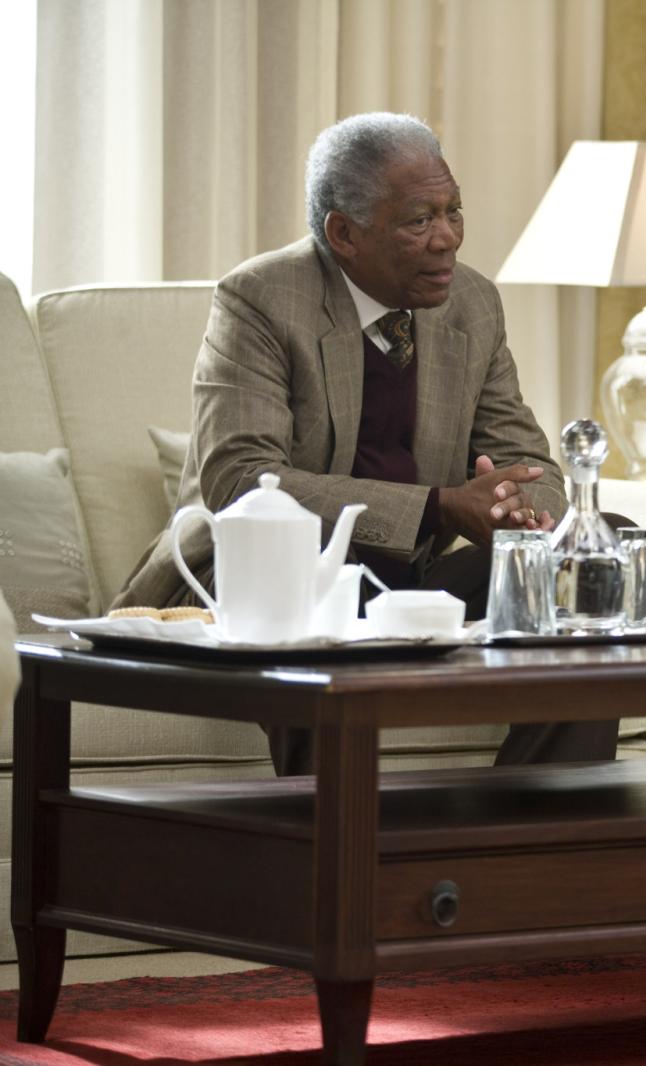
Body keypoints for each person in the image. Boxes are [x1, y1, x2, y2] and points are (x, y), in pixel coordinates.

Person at [113, 112, 619, 775]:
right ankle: (331, 828)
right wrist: (440, 507)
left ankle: (528, 813)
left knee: (594, 546)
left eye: (453, 211)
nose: (447, 239)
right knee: (310, 575)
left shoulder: (472, 304)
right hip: (261, 577)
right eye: (419, 220)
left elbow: (529, 462)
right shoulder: (261, 298)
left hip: (410, 584)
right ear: (343, 234)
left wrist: (523, 515)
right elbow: (239, 479)